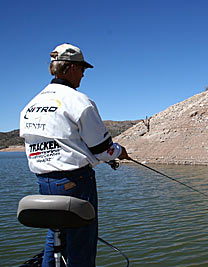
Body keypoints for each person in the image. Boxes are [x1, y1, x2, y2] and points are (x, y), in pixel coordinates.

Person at [20, 43, 130, 267]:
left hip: (44, 184)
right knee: (82, 244)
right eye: (82, 69)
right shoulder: (79, 101)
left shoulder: (30, 105)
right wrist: (121, 152)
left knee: (55, 234)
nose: (83, 74)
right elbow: (103, 149)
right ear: (70, 68)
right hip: (76, 183)